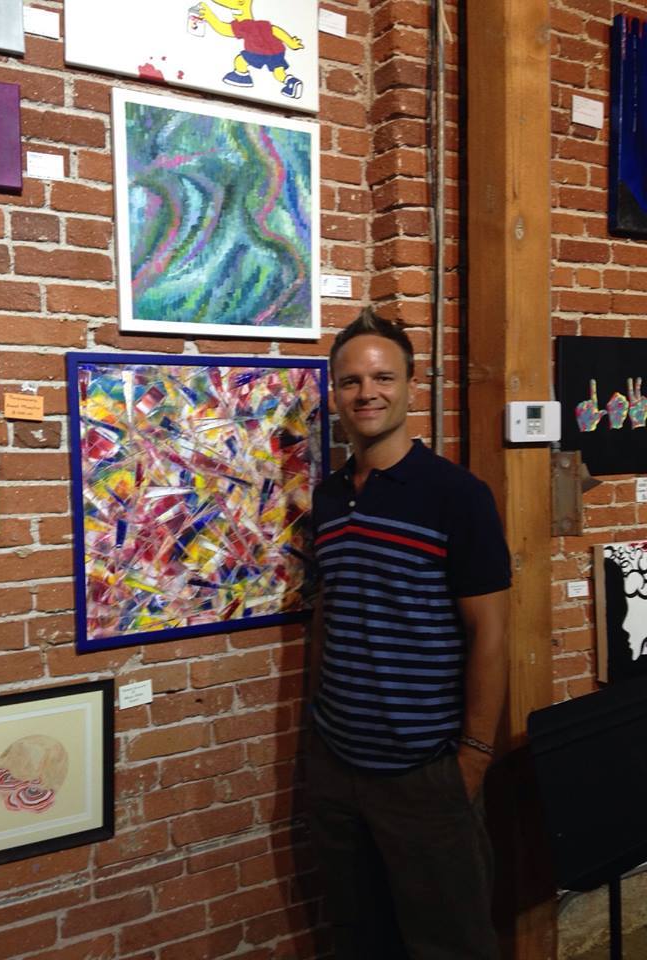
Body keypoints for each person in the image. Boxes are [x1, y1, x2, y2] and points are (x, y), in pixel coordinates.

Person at [307, 308, 511, 960]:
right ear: (334, 393)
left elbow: (490, 633)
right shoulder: (329, 498)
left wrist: (472, 758)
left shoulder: (457, 496)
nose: (366, 393)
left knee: (451, 946)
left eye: (383, 377)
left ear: (411, 387)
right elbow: (330, 615)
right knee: (360, 940)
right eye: (350, 381)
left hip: (424, 771)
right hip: (337, 764)